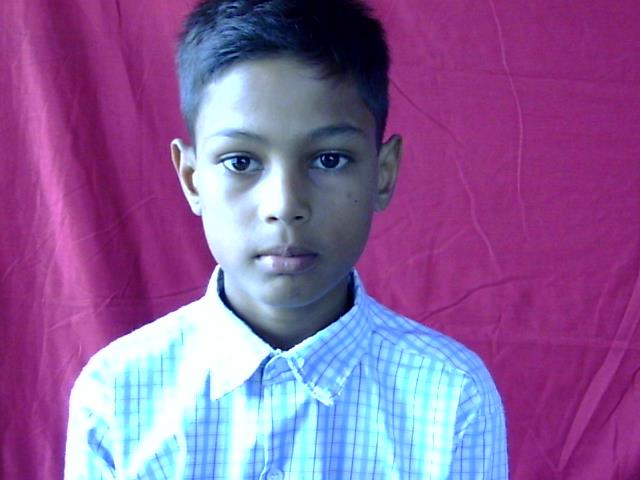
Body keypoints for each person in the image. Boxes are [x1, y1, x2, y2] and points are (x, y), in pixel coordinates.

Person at [64, 0, 508, 478]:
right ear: (192, 179)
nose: (284, 204)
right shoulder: (117, 394)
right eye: (240, 161)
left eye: (330, 159)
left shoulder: (450, 397)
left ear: (382, 174)